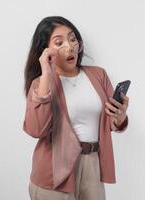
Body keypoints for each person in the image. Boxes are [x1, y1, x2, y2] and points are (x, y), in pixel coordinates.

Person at [23, 16, 130, 200]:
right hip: (54, 171)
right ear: (45, 50)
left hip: (93, 166)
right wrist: (47, 74)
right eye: (59, 42)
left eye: (72, 39)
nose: (70, 46)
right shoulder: (41, 83)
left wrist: (120, 117)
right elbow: (36, 129)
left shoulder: (98, 75)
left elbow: (112, 121)